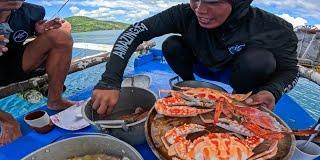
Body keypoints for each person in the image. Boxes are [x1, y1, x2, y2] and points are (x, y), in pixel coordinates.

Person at [92, 0, 299, 115]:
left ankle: (239, 99)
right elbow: (135, 32)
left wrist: (273, 91)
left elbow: (290, 70)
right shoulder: (184, 13)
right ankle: (187, 83)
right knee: (171, 43)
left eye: (212, 1)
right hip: (200, 66)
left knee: (260, 61)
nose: (200, 10)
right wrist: (110, 80)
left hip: (238, 74)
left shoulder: (275, 28)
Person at [0, 0, 74, 110]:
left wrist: (38, 32)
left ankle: (55, 100)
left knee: (60, 36)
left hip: (16, 64)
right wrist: (4, 118)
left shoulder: (33, 12)